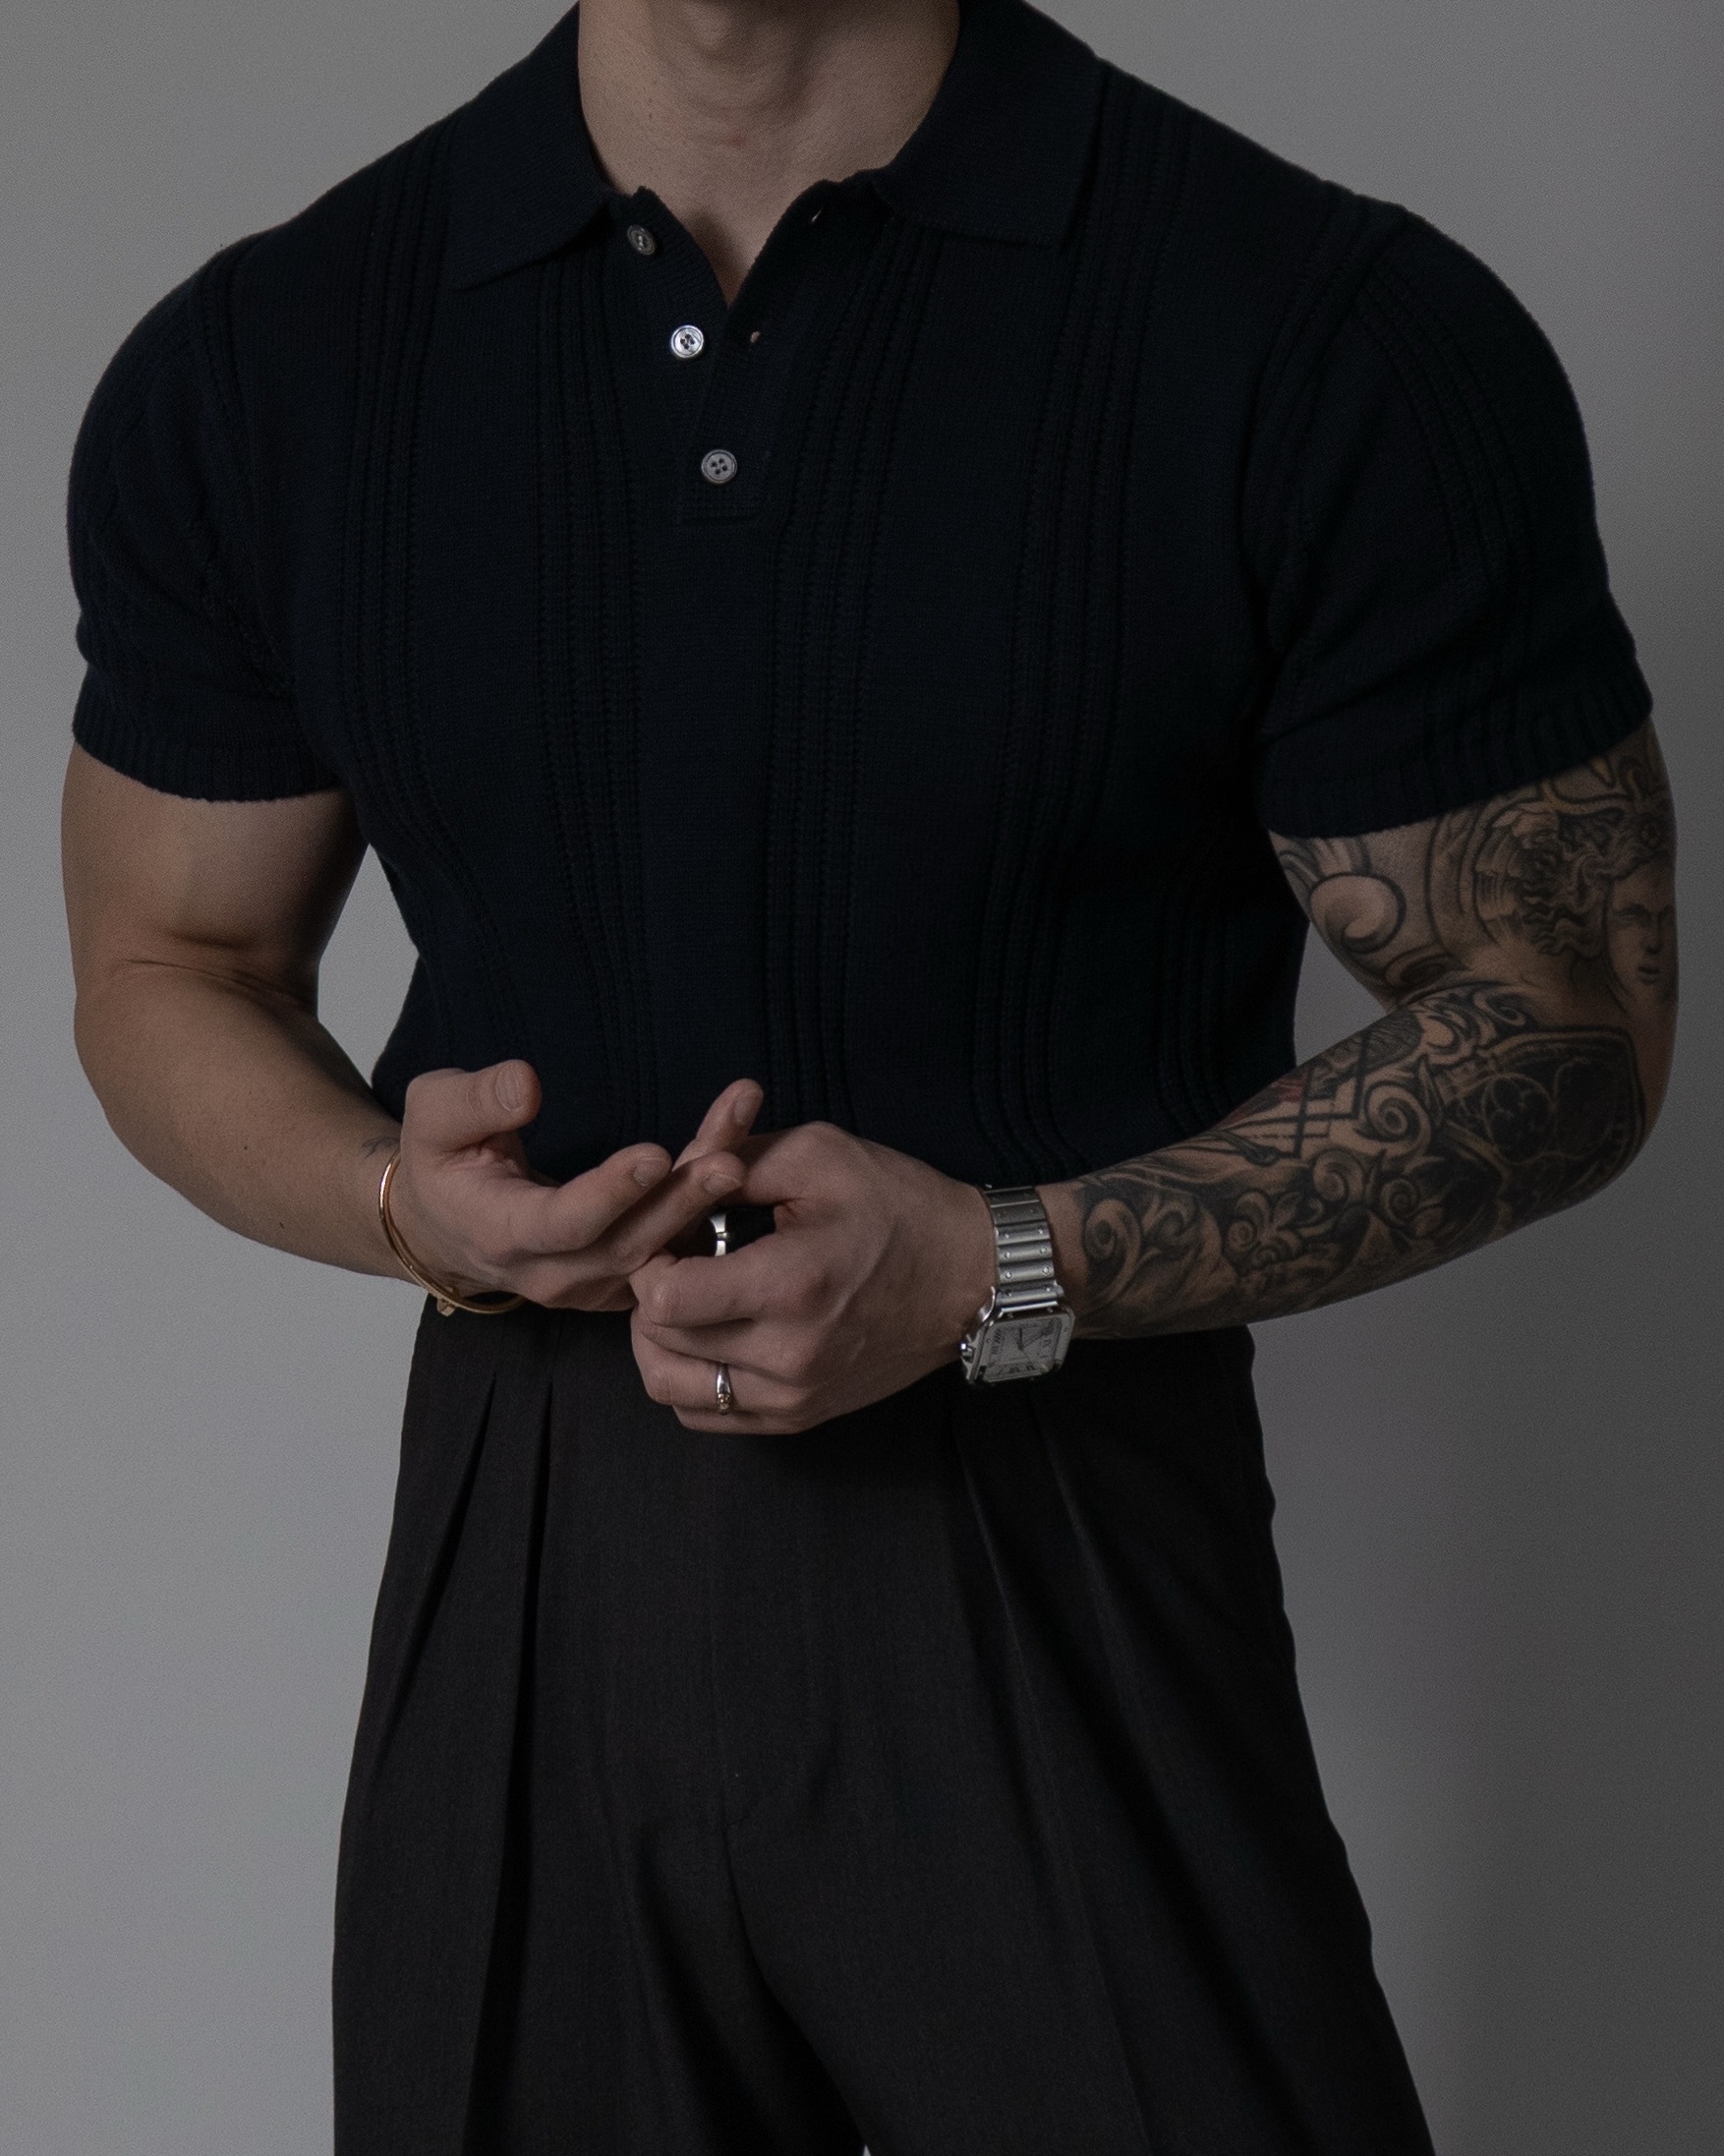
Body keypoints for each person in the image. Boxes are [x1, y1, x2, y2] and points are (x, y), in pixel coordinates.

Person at [60, 0, 1677, 2148]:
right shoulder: (272, 356)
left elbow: (1565, 1012)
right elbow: (169, 958)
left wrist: (1005, 1261)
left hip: (1065, 1509)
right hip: (529, 1537)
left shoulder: (1315, 326)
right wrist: (401, 1200)